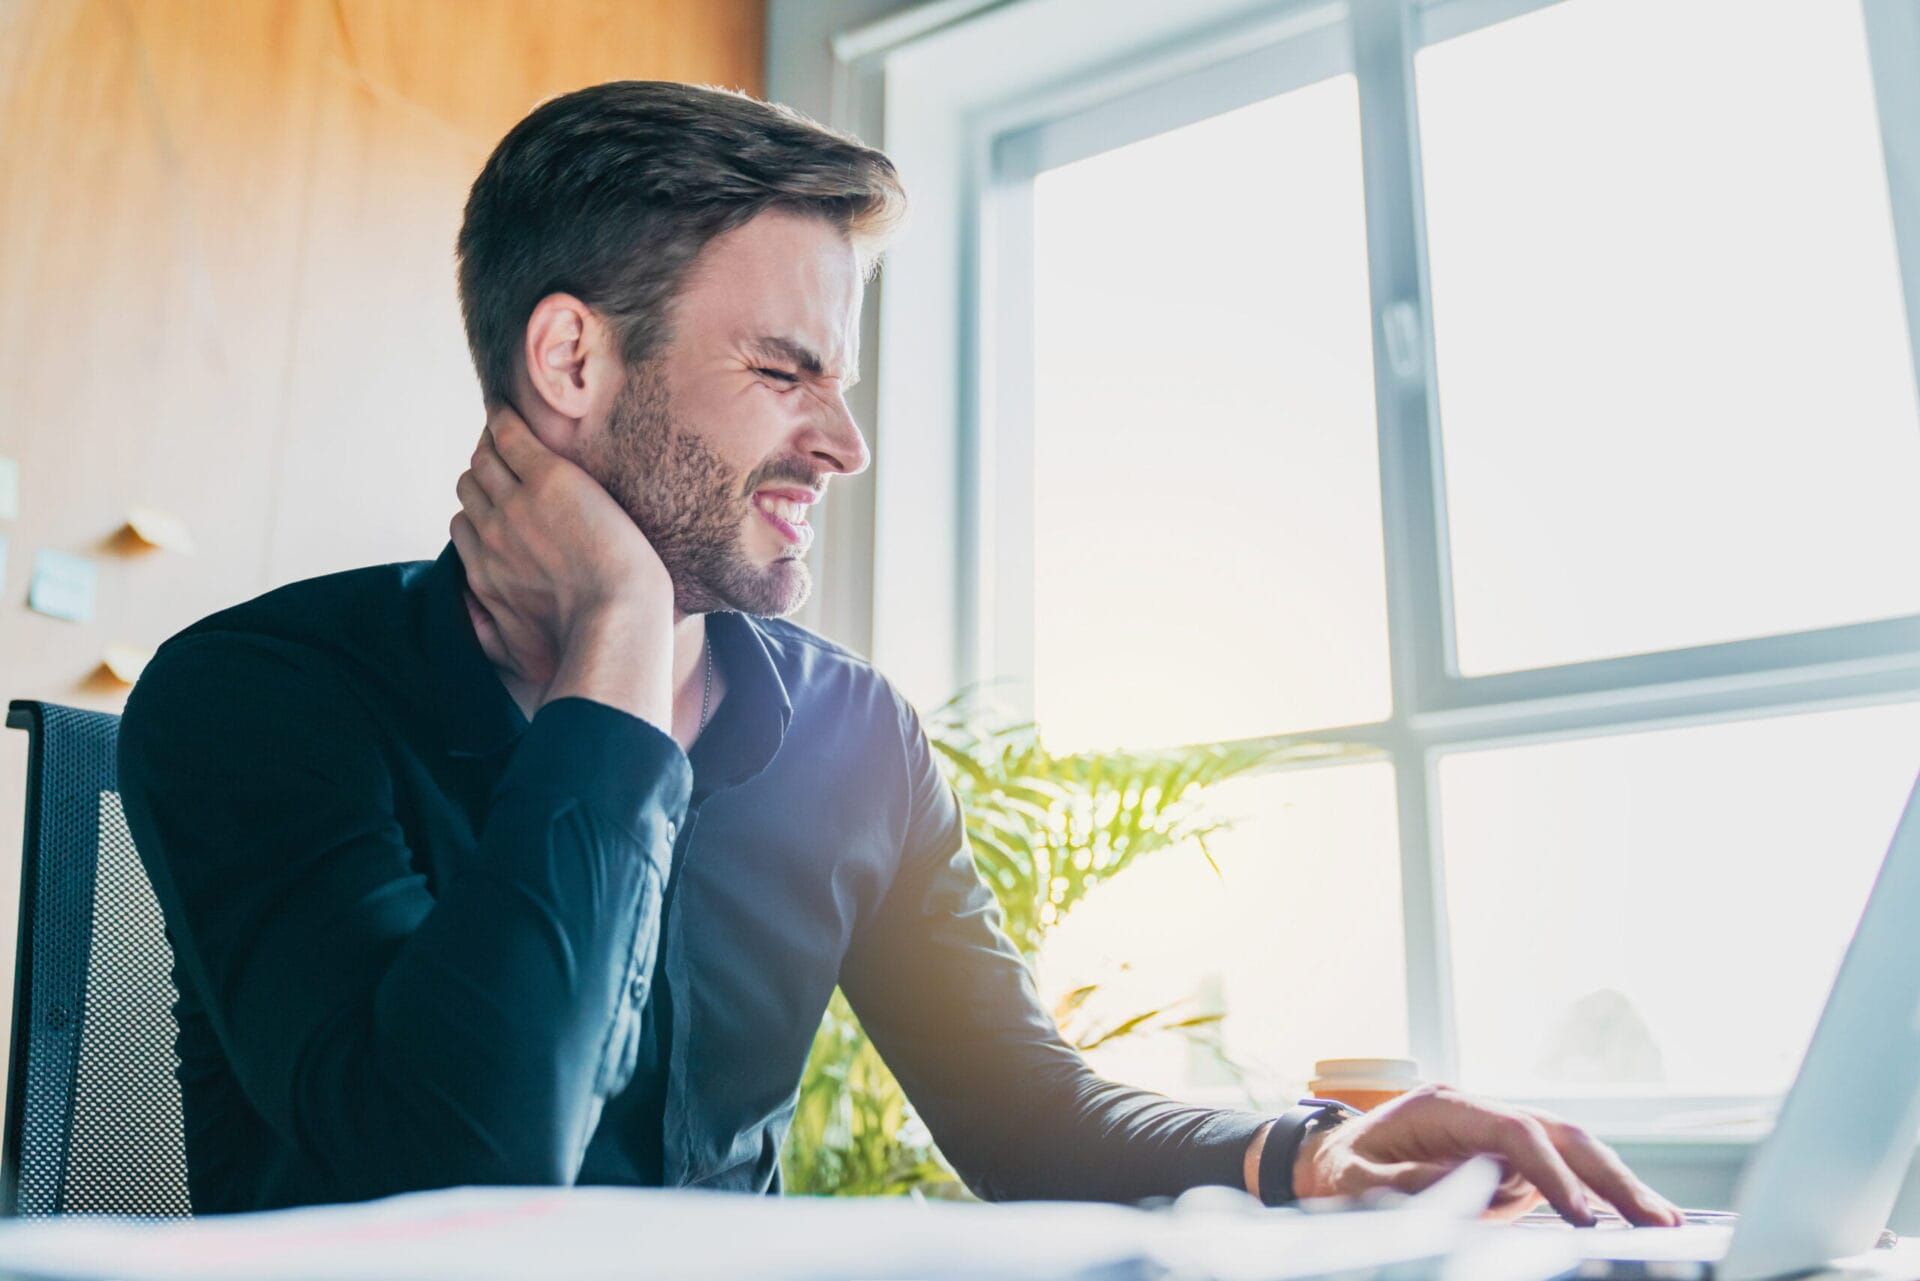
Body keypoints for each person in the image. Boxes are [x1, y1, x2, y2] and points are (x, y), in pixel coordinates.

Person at [118, 80, 1683, 1225]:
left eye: (842, 378)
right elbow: (461, 1181)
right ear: (573, 357)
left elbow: (1028, 1115)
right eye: (786, 370)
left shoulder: (849, 735)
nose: (845, 442)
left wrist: (1312, 1152)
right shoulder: (255, 699)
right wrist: (616, 641)